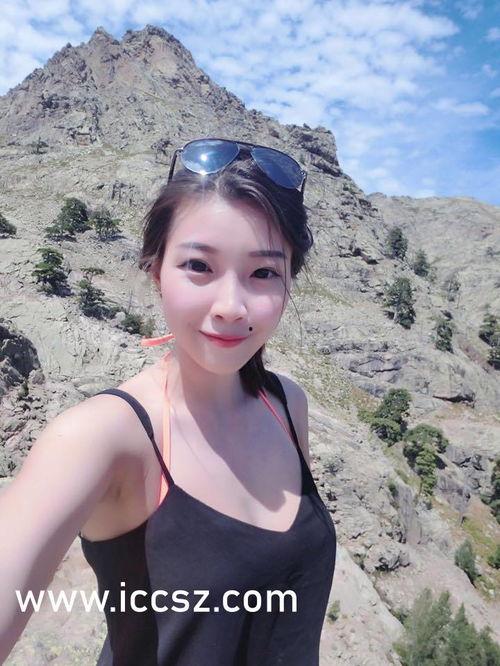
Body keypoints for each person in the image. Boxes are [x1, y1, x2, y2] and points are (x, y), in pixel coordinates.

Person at [0, 137, 337, 665]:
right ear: (156, 270)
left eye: (264, 273)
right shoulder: (102, 436)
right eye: (199, 265)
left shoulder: (287, 406)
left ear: (289, 282)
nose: (231, 306)